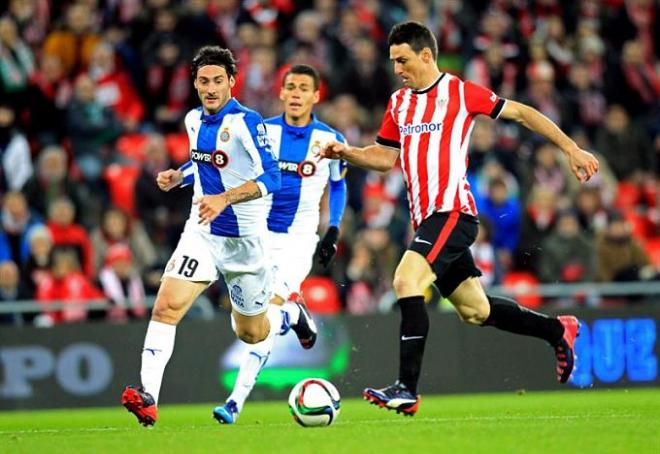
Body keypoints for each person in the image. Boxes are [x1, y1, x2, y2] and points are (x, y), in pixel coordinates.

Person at [320, 21, 600, 416]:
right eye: (393, 62)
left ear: (426, 55)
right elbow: (384, 158)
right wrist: (344, 152)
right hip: (428, 221)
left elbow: (519, 113)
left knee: (406, 279)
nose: (397, 69)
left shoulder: (459, 92)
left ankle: (406, 389)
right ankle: (558, 330)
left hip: (453, 211)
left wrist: (571, 148)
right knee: (475, 311)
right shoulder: (399, 103)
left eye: (402, 60)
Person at [121, 46, 317, 427]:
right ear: (194, 84)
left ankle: (290, 313)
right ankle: (148, 397)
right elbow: (203, 162)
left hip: (246, 245)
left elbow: (272, 177)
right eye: (203, 81)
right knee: (166, 306)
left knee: (251, 332)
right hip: (204, 233)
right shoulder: (193, 119)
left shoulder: (247, 122)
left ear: (231, 82)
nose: (210, 88)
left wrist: (225, 198)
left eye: (217, 81)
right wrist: (180, 175)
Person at [212, 64, 347, 424]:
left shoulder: (330, 140)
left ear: (317, 96)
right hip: (256, 236)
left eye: (305, 87)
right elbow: (219, 157)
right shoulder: (263, 131)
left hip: (298, 239)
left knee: (268, 311)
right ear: (282, 93)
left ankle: (235, 402)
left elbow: (338, 185)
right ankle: (294, 314)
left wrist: (333, 229)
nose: (297, 93)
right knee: (245, 326)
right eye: (291, 86)